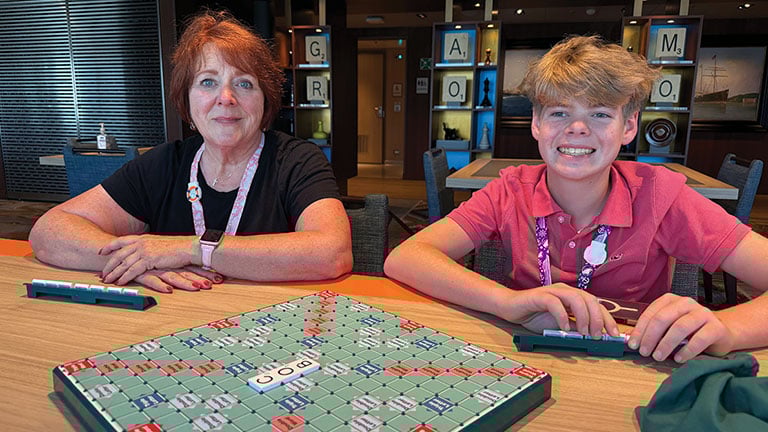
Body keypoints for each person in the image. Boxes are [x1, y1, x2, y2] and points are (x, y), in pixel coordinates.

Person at [384, 35, 768, 363]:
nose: (578, 128)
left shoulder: (661, 195)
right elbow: (406, 257)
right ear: (536, 123)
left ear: (628, 126)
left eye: (600, 114)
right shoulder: (510, 189)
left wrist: (726, 329)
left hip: (632, 364)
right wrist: (506, 303)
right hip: (523, 354)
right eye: (559, 112)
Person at [30, 10, 352, 293]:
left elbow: (332, 252)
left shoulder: (297, 161)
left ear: (265, 99)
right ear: (187, 99)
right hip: (173, 323)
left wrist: (194, 250)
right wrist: (140, 258)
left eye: (244, 83)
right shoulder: (162, 164)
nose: (226, 97)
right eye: (208, 82)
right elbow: (48, 232)